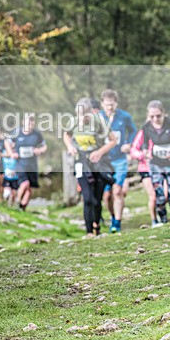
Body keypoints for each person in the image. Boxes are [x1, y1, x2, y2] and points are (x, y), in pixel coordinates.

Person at [63, 98, 117, 237]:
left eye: (85, 115)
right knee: (87, 198)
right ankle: (88, 232)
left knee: (97, 199)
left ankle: (96, 225)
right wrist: (70, 147)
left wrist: (99, 152)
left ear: (91, 113)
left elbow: (113, 141)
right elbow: (66, 135)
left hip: (97, 162)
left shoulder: (100, 122)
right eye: (80, 115)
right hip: (80, 161)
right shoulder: (73, 122)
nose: (82, 118)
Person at [99, 89, 137, 232]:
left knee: (117, 191)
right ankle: (113, 216)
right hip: (104, 161)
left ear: (116, 103)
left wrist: (129, 143)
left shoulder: (124, 116)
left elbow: (133, 131)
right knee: (107, 195)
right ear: (102, 104)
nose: (110, 107)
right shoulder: (97, 118)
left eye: (112, 105)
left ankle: (117, 223)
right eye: (107, 105)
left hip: (120, 159)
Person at [142, 101, 170, 224]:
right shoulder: (147, 127)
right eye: (152, 116)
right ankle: (163, 220)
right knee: (159, 196)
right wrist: (146, 151)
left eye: (158, 116)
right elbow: (145, 141)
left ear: (163, 113)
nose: (155, 119)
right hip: (156, 163)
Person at [8, 115, 47, 211]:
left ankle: (22, 208)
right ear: (23, 123)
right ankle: (17, 200)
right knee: (25, 183)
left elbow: (44, 146)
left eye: (32, 121)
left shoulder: (37, 134)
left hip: (32, 165)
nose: (31, 124)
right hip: (20, 163)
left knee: (30, 189)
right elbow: (7, 142)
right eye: (29, 121)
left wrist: (40, 150)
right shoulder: (17, 132)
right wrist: (11, 153)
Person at [130, 128, 159, 227]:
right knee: (153, 196)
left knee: (165, 195)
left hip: (162, 167)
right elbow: (133, 150)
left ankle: (163, 217)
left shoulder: (166, 130)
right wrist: (143, 155)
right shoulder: (143, 133)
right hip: (145, 168)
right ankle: (154, 220)